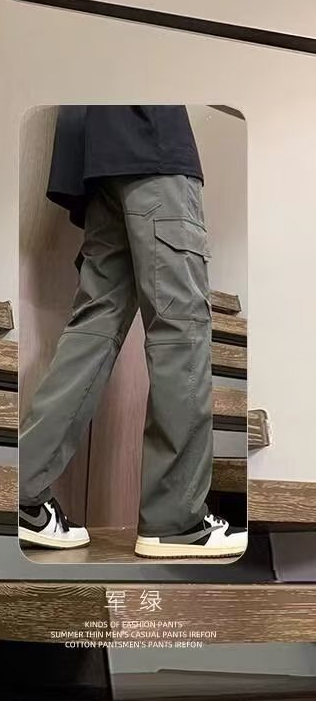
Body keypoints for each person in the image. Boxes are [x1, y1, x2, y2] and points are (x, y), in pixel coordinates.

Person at [18, 106, 247, 560]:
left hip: (97, 154)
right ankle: (175, 521)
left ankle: (22, 493)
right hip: (151, 138)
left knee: (95, 324)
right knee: (181, 327)